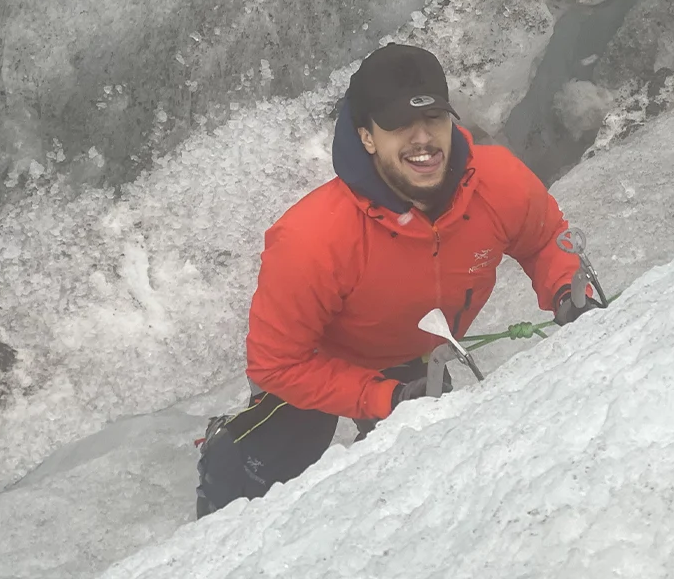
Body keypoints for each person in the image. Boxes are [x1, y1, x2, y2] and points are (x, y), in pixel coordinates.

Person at [194, 43, 600, 517]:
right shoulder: (312, 238)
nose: (422, 139)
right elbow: (276, 366)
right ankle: (223, 465)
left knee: (425, 480)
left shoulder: (497, 183)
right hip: (317, 364)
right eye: (399, 125)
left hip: (417, 357)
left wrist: (568, 293)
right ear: (366, 136)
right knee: (264, 463)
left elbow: (545, 238)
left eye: (433, 119)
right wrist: (379, 397)